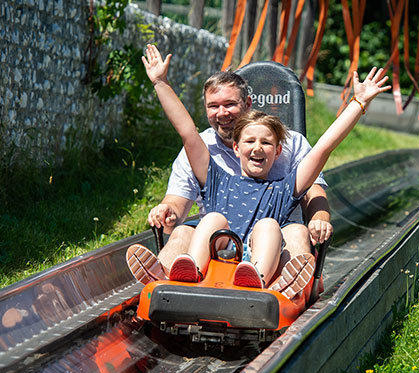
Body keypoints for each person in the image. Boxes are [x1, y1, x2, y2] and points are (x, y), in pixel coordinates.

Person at [126, 44, 391, 298]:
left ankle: (264, 281)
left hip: (259, 259)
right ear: (236, 147)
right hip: (218, 254)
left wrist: (358, 103)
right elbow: (186, 132)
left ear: (278, 152)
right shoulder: (218, 179)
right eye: (250, 142)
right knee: (211, 219)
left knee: (268, 226)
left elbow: (323, 148)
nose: (257, 149)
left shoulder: (283, 189)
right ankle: (183, 273)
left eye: (266, 143)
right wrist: (160, 83)